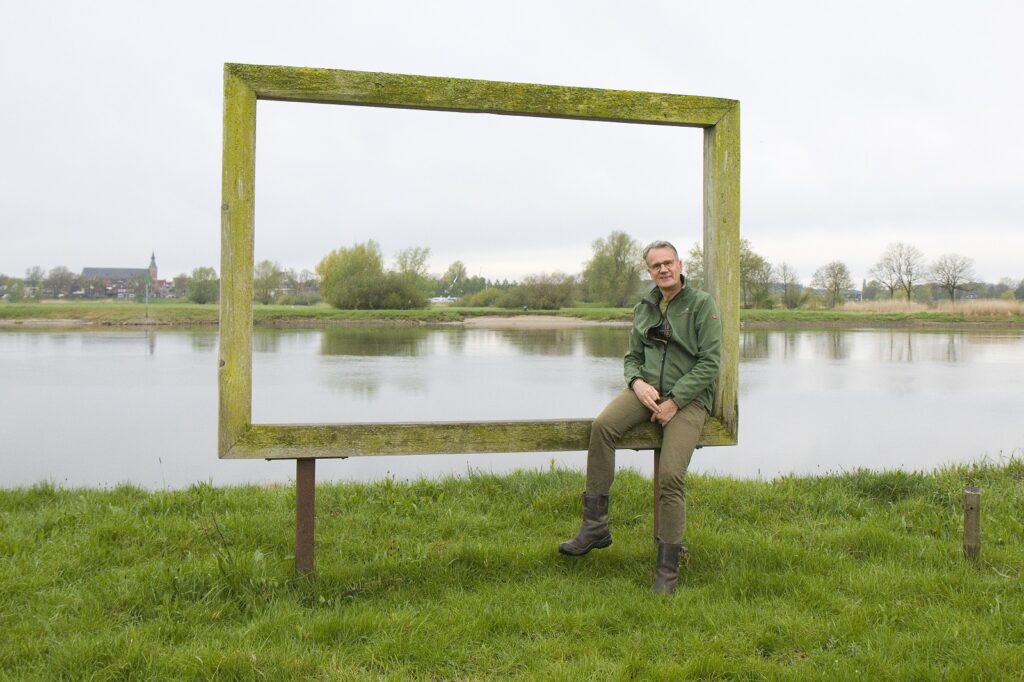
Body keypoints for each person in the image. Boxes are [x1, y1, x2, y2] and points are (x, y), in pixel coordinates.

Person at [559, 240, 722, 594]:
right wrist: (637, 383)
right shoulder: (644, 308)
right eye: (655, 266)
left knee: (670, 477)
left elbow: (710, 363)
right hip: (647, 393)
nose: (663, 270)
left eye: (668, 263)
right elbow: (631, 357)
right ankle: (595, 525)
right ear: (648, 271)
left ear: (680, 265)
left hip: (689, 400)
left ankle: (667, 570)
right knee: (602, 427)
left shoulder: (701, 304)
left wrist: (675, 400)